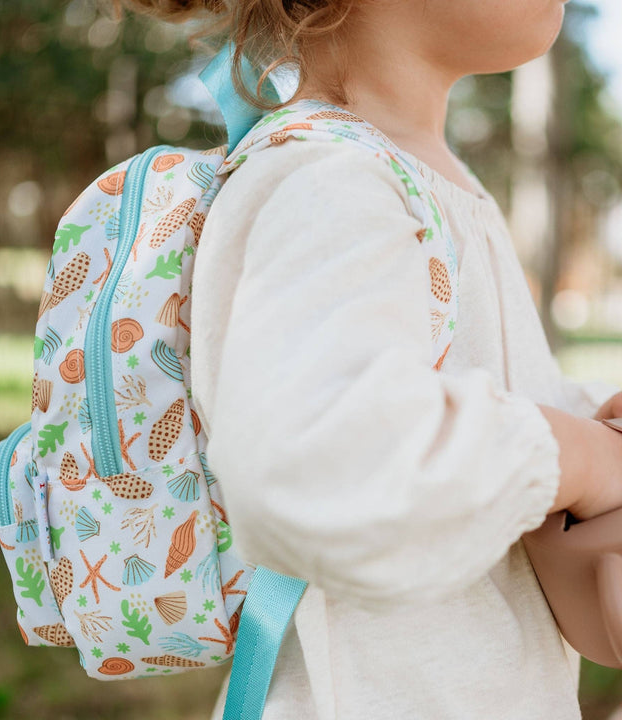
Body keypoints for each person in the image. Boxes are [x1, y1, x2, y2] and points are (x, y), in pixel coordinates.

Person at [125, 0, 622, 717]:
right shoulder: (328, 182)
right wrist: (579, 454)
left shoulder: (423, 177)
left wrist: (589, 419)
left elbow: (478, 390)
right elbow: (322, 457)